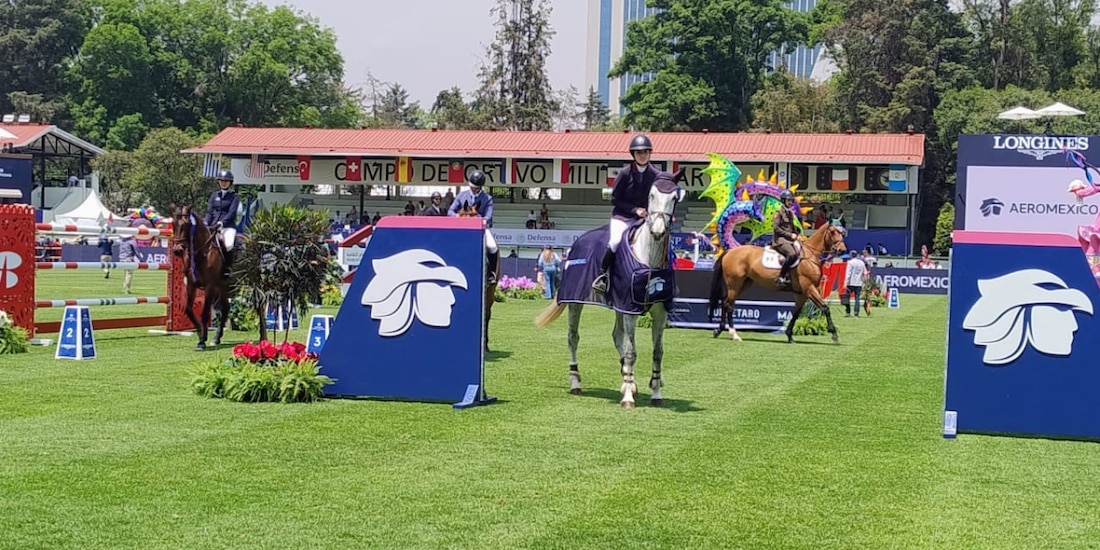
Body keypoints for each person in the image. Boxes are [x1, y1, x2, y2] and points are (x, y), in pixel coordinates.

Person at [592, 134, 658, 294]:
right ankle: (603, 276)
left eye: (645, 152)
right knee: (614, 241)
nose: (642, 155)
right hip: (623, 217)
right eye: (639, 152)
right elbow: (614, 199)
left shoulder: (655, 174)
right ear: (633, 155)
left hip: (645, 219)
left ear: (649, 153)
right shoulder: (624, 174)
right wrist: (635, 210)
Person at [448, 169, 499, 284]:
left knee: (492, 247)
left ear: (480, 187)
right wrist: (459, 216)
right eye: (471, 186)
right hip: (462, 229)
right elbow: (450, 211)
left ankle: (491, 273)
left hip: (480, 228)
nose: (472, 189)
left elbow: (488, 216)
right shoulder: (461, 196)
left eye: (475, 187)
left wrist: (476, 219)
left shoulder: (487, 199)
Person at [204, 168, 241, 276]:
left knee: (228, 245)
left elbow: (232, 213)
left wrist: (221, 223)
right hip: (213, 225)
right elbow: (210, 211)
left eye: (226, 181)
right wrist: (206, 222)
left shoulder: (234, 197)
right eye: (221, 181)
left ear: (230, 183)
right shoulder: (214, 195)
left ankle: (227, 268)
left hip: (228, 226)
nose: (223, 183)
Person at [772, 190, 803, 287]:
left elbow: (792, 228)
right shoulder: (778, 213)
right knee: (792, 253)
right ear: (783, 200)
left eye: (791, 201)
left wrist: (797, 234)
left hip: (789, 240)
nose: (790, 203)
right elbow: (776, 228)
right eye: (789, 201)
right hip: (780, 240)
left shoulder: (790, 213)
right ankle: (781, 277)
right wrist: (790, 235)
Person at [845, 252, 868, 317]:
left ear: (851, 255)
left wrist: (845, 282)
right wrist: (865, 282)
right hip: (859, 283)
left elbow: (848, 273)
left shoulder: (850, 262)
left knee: (847, 298)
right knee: (857, 298)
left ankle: (848, 311)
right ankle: (856, 312)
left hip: (850, 283)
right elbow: (865, 273)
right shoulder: (861, 263)